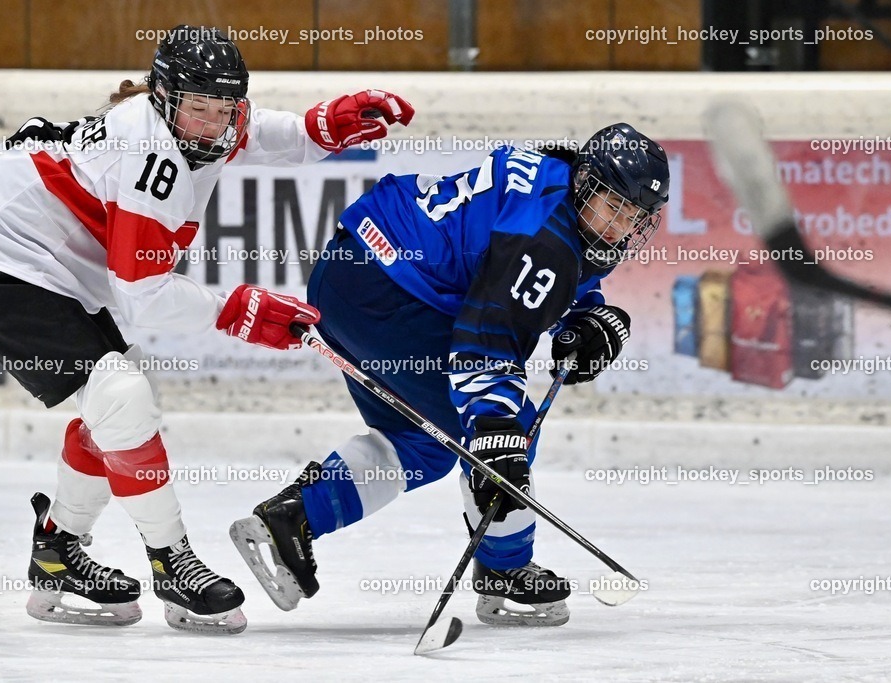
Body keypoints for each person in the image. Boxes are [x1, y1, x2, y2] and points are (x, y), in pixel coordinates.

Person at [0, 24, 412, 634]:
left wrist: (325, 125)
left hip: (46, 260)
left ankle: (57, 553)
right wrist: (245, 312)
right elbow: (143, 299)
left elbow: (259, 131)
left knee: (118, 406)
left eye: (223, 109)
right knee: (123, 398)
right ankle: (172, 562)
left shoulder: (200, 122)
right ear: (164, 100)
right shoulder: (151, 161)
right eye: (198, 110)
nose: (212, 126)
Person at [230, 124, 669, 626]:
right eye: (614, 206)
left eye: (636, 216)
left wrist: (586, 315)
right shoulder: (546, 239)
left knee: (421, 441)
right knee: (508, 427)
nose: (621, 226)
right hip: (394, 293)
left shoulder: (560, 184)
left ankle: (294, 518)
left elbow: (520, 265)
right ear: (588, 183)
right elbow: (487, 338)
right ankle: (505, 570)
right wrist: (496, 433)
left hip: (351, 275)